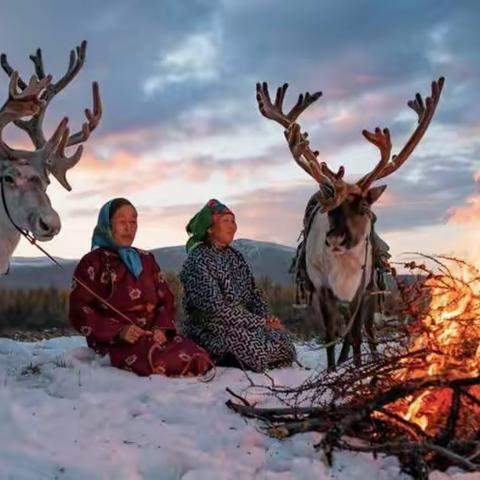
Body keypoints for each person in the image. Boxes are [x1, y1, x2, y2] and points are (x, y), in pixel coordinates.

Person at [69, 198, 211, 377]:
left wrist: (160, 328)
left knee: (199, 354)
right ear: (106, 225)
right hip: (114, 341)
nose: (129, 228)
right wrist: (119, 331)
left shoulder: (146, 259)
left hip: (154, 335)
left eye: (133, 221)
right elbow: (78, 309)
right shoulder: (92, 262)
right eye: (122, 222)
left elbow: (165, 299)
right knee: (161, 360)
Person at [179, 199, 296, 372]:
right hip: (209, 326)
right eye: (225, 221)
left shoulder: (235, 257)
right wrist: (259, 322)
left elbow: (253, 294)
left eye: (233, 221)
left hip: (243, 322)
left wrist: (265, 318)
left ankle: (247, 355)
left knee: (284, 342)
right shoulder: (198, 260)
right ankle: (225, 357)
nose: (232, 226)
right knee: (256, 350)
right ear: (210, 228)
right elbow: (216, 311)